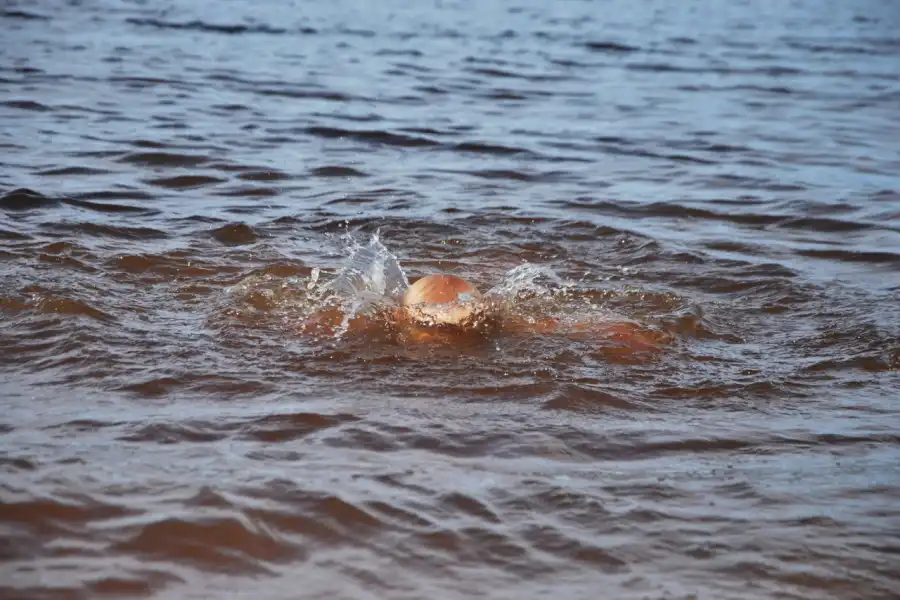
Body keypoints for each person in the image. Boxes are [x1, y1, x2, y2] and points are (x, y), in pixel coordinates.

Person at [300, 272, 669, 350]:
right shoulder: (383, 320)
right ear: (400, 318)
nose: (439, 341)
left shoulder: (501, 325)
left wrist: (624, 333)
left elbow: (573, 326)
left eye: (451, 332)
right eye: (431, 331)